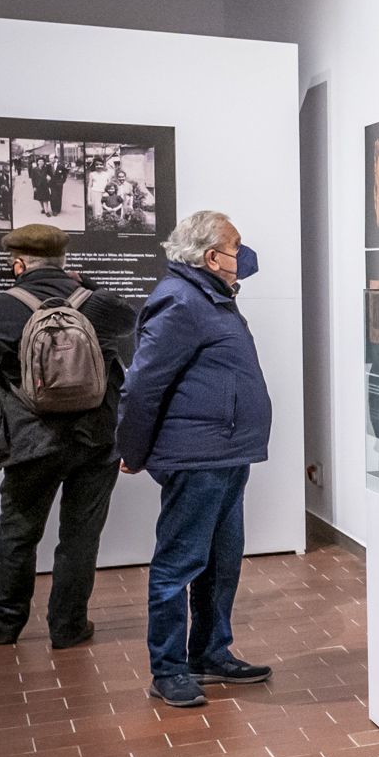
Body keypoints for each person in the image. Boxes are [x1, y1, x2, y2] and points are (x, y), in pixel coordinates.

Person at [118, 210, 274, 709]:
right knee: (178, 565)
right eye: (235, 246)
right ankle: (168, 669)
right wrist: (132, 450)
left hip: (227, 454)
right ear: (211, 257)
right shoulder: (180, 301)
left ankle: (211, 653)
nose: (242, 257)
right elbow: (143, 384)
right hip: (198, 458)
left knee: (222, 562)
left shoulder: (212, 298)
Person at [0, 224, 136, 647]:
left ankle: (5, 624)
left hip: (30, 443)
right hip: (95, 441)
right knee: (81, 536)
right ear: (64, 260)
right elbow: (130, 317)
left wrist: (0, 421)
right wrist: (83, 282)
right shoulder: (99, 304)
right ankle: (68, 626)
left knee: (18, 534)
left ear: (18, 264)